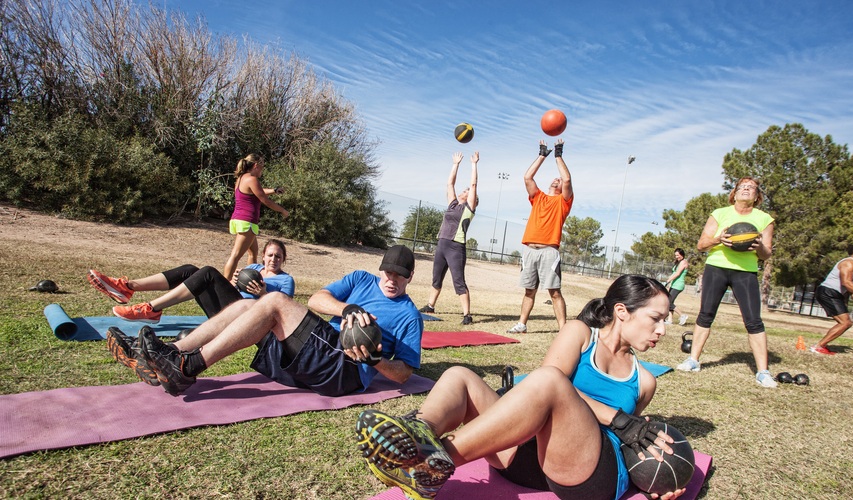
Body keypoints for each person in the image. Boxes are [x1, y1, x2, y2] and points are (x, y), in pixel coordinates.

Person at [355, 275, 683, 500]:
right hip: (527, 462)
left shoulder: (645, 381)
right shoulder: (580, 333)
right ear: (622, 312)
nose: (662, 330)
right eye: (656, 318)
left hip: (588, 474)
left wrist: (656, 476)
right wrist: (619, 418)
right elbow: (557, 383)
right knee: (459, 375)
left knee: (549, 381)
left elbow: (629, 441)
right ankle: (418, 432)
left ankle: (431, 465)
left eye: (665, 320)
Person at [125, 245, 422, 397]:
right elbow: (316, 300)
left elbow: (403, 374)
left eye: (399, 275)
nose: (391, 279)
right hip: (322, 348)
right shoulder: (361, 279)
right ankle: (172, 353)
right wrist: (346, 308)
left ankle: (187, 367)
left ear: (410, 277)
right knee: (245, 305)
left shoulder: (409, 316)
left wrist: (376, 359)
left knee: (275, 301)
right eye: (387, 271)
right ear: (380, 268)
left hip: (345, 370)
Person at [675, 177, 778, 388]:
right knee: (705, 315)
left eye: (752, 188)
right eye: (743, 187)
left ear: (757, 196)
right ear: (735, 193)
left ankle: (763, 372)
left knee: (754, 321)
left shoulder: (765, 219)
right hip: (717, 268)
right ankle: (693, 360)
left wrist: (758, 246)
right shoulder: (720, 213)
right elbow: (702, 244)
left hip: (745, 272)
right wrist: (718, 239)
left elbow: (766, 254)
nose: (747, 189)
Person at [88, 239, 295, 322]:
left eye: (278, 256)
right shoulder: (253, 268)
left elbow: (281, 313)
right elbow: (231, 289)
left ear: (283, 259)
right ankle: (127, 287)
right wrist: (232, 282)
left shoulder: (286, 281)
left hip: (243, 319)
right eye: (270, 255)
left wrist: (263, 294)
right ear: (263, 256)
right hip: (226, 308)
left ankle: (151, 308)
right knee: (189, 270)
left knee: (207, 272)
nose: (273, 259)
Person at [507, 139, 574, 334]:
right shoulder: (538, 197)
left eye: (559, 180)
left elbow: (568, 180)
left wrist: (558, 155)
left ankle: (563, 330)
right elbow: (527, 177)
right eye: (555, 178)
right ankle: (522, 324)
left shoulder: (563, 202)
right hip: (530, 250)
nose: (557, 180)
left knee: (554, 292)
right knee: (529, 291)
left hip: (549, 252)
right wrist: (542, 155)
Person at [419, 152, 479, 325]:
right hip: (442, 244)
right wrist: (456, 164)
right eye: (464, 190)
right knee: (436, 278)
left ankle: (467, 315)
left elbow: (474, 184)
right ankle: (430, 306)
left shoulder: (468, 208)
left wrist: (474, 164)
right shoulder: (453, 204)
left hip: (455, 247)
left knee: (458, 281)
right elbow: (449, 183)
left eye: (467, 191)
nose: (464, 190)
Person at [222, 154, 290, 281]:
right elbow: (265, 200)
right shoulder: (252, 179)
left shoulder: (242, 178)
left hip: (240, 219)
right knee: (235, 255)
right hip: (246, 221)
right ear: (256, 165)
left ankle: (249, 281)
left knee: (253, 253)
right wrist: (282, 210)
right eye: (262, 167)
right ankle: (225, 283)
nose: (262, 171)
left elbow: (259, 190)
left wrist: (274, 190)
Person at [809, 244, 853, 354]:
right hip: (828, 291)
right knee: (845, 323)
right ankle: (818, 346)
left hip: (833, 293)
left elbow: (851, 290)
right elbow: (846, 283)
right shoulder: (848, 263)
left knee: (845, 323)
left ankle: (820, 346)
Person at [663, 248, 690, 326]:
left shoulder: (684, 262)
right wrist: (669, 281)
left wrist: (668, 281)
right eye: (675, 255)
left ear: (682, 254)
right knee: (671, 301)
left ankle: (682, 315)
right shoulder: (679, 263)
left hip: (678, 285)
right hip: (673, 284)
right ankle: (670, 320)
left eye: (678, 255)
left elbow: (678, 273)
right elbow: (674, 273)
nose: (676, 257)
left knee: (669, 302)